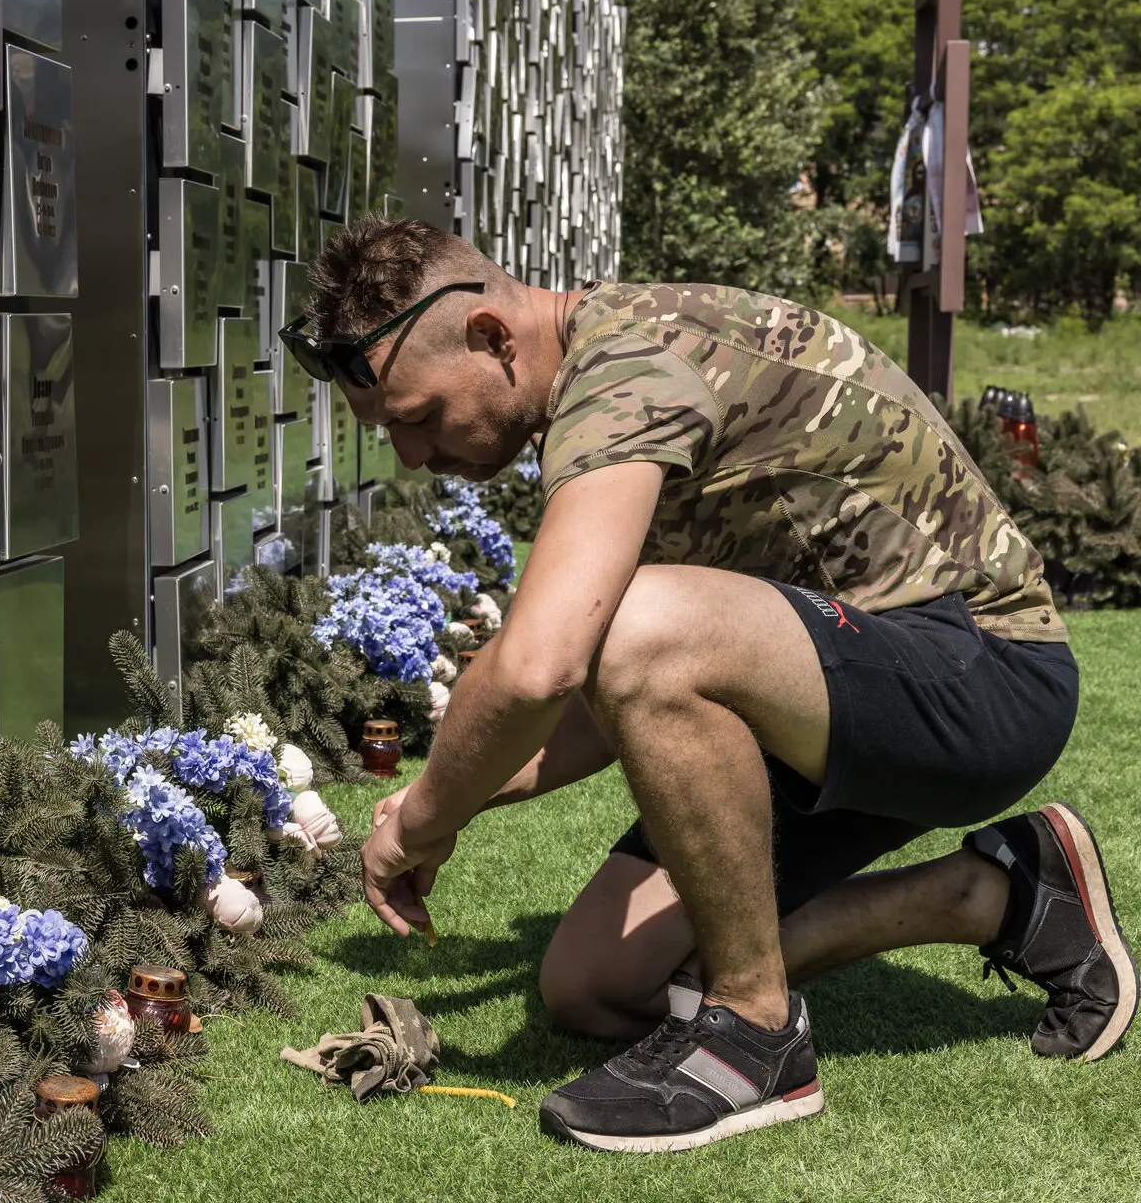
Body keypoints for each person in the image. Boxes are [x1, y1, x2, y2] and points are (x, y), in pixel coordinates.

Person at [281, 217, 1133, 1153]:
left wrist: (424, 815)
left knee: (640, 625)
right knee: (595, 987)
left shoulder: (628, 370)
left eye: (416, 418)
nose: (411, 454)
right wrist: (462, 797)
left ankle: (756, 1031)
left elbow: (548, 663)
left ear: (492, 338)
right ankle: (1000, 894)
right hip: (826, 695)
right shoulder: (594, 380)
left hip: (983, 675)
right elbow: (602, 695)